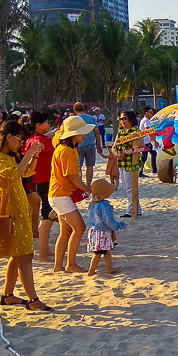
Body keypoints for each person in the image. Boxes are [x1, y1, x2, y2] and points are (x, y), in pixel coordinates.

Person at [0, 120, 51, 310]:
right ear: (9, 137)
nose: (20, 144)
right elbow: (13, 174)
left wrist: (34, 155)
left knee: (20, 253)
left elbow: (26, 171)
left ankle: (8, 294)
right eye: (19, 140)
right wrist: (29, 153)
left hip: (18, 206)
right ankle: (33, 299)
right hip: (9, 207)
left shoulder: (9, 156)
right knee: (24, 254)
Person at [49, 115, 95, 272]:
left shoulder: (65, 149)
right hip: (61, 195)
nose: (85, 135)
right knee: (79, 228)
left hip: (59, 194)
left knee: (66, 231)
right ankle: (70, 264)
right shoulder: (67, 151)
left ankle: (58, 265)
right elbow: (72, 177)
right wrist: (89, 190)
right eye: (82, 132)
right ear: (73, 134)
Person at [23, 111, 56, 261]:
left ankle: (45, 249)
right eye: (46, 123)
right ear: (38, 125)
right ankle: (44, 251)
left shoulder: (31, 139)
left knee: (47, 214)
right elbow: (53, 146)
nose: (49, 125)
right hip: (45, 179)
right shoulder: (42, 142)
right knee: (47, 215)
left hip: (37, 180)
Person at [86, 179, 126, 276]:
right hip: (101, 232)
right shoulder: (103, 206)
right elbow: (108, 220)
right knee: (99, 253)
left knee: (107, 250)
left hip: (94, 231)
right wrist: (119, 225)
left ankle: (109, 268)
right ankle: (91, 271)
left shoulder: (93, 203)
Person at [113, 111, 143, 218]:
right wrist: (117, 154)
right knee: (127, 187)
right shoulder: (120, 132)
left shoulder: (136, 131)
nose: (122, 121)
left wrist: (128, 152)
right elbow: (114, 147)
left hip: (132, 163)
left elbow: (141, 146)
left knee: (131, 187)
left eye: (124, 118)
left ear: (130, 119)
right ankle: (136, 209)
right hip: (121, 163)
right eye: (121, 119)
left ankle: (132, 210)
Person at [73, 102, 106, 188]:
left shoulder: (75, 119)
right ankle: (88, 185)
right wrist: (99, 145)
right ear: (84, 109)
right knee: (90, 166)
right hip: (91, 144)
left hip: (79, 145)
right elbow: (97, 133)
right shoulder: (91, 118)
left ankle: (79, 185)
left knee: (78, 167)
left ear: (75, 110)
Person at [139, 107, 158, 177]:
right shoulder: (146, 120)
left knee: (153, 153)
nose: (151, 113)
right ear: (146, 113)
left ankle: (154, 169)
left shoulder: (144, 120)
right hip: (145, 142)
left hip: (146, 141)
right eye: (150, 112)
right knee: (144, 157)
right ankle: (140, 172)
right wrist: (154, 141)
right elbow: (148, 131)